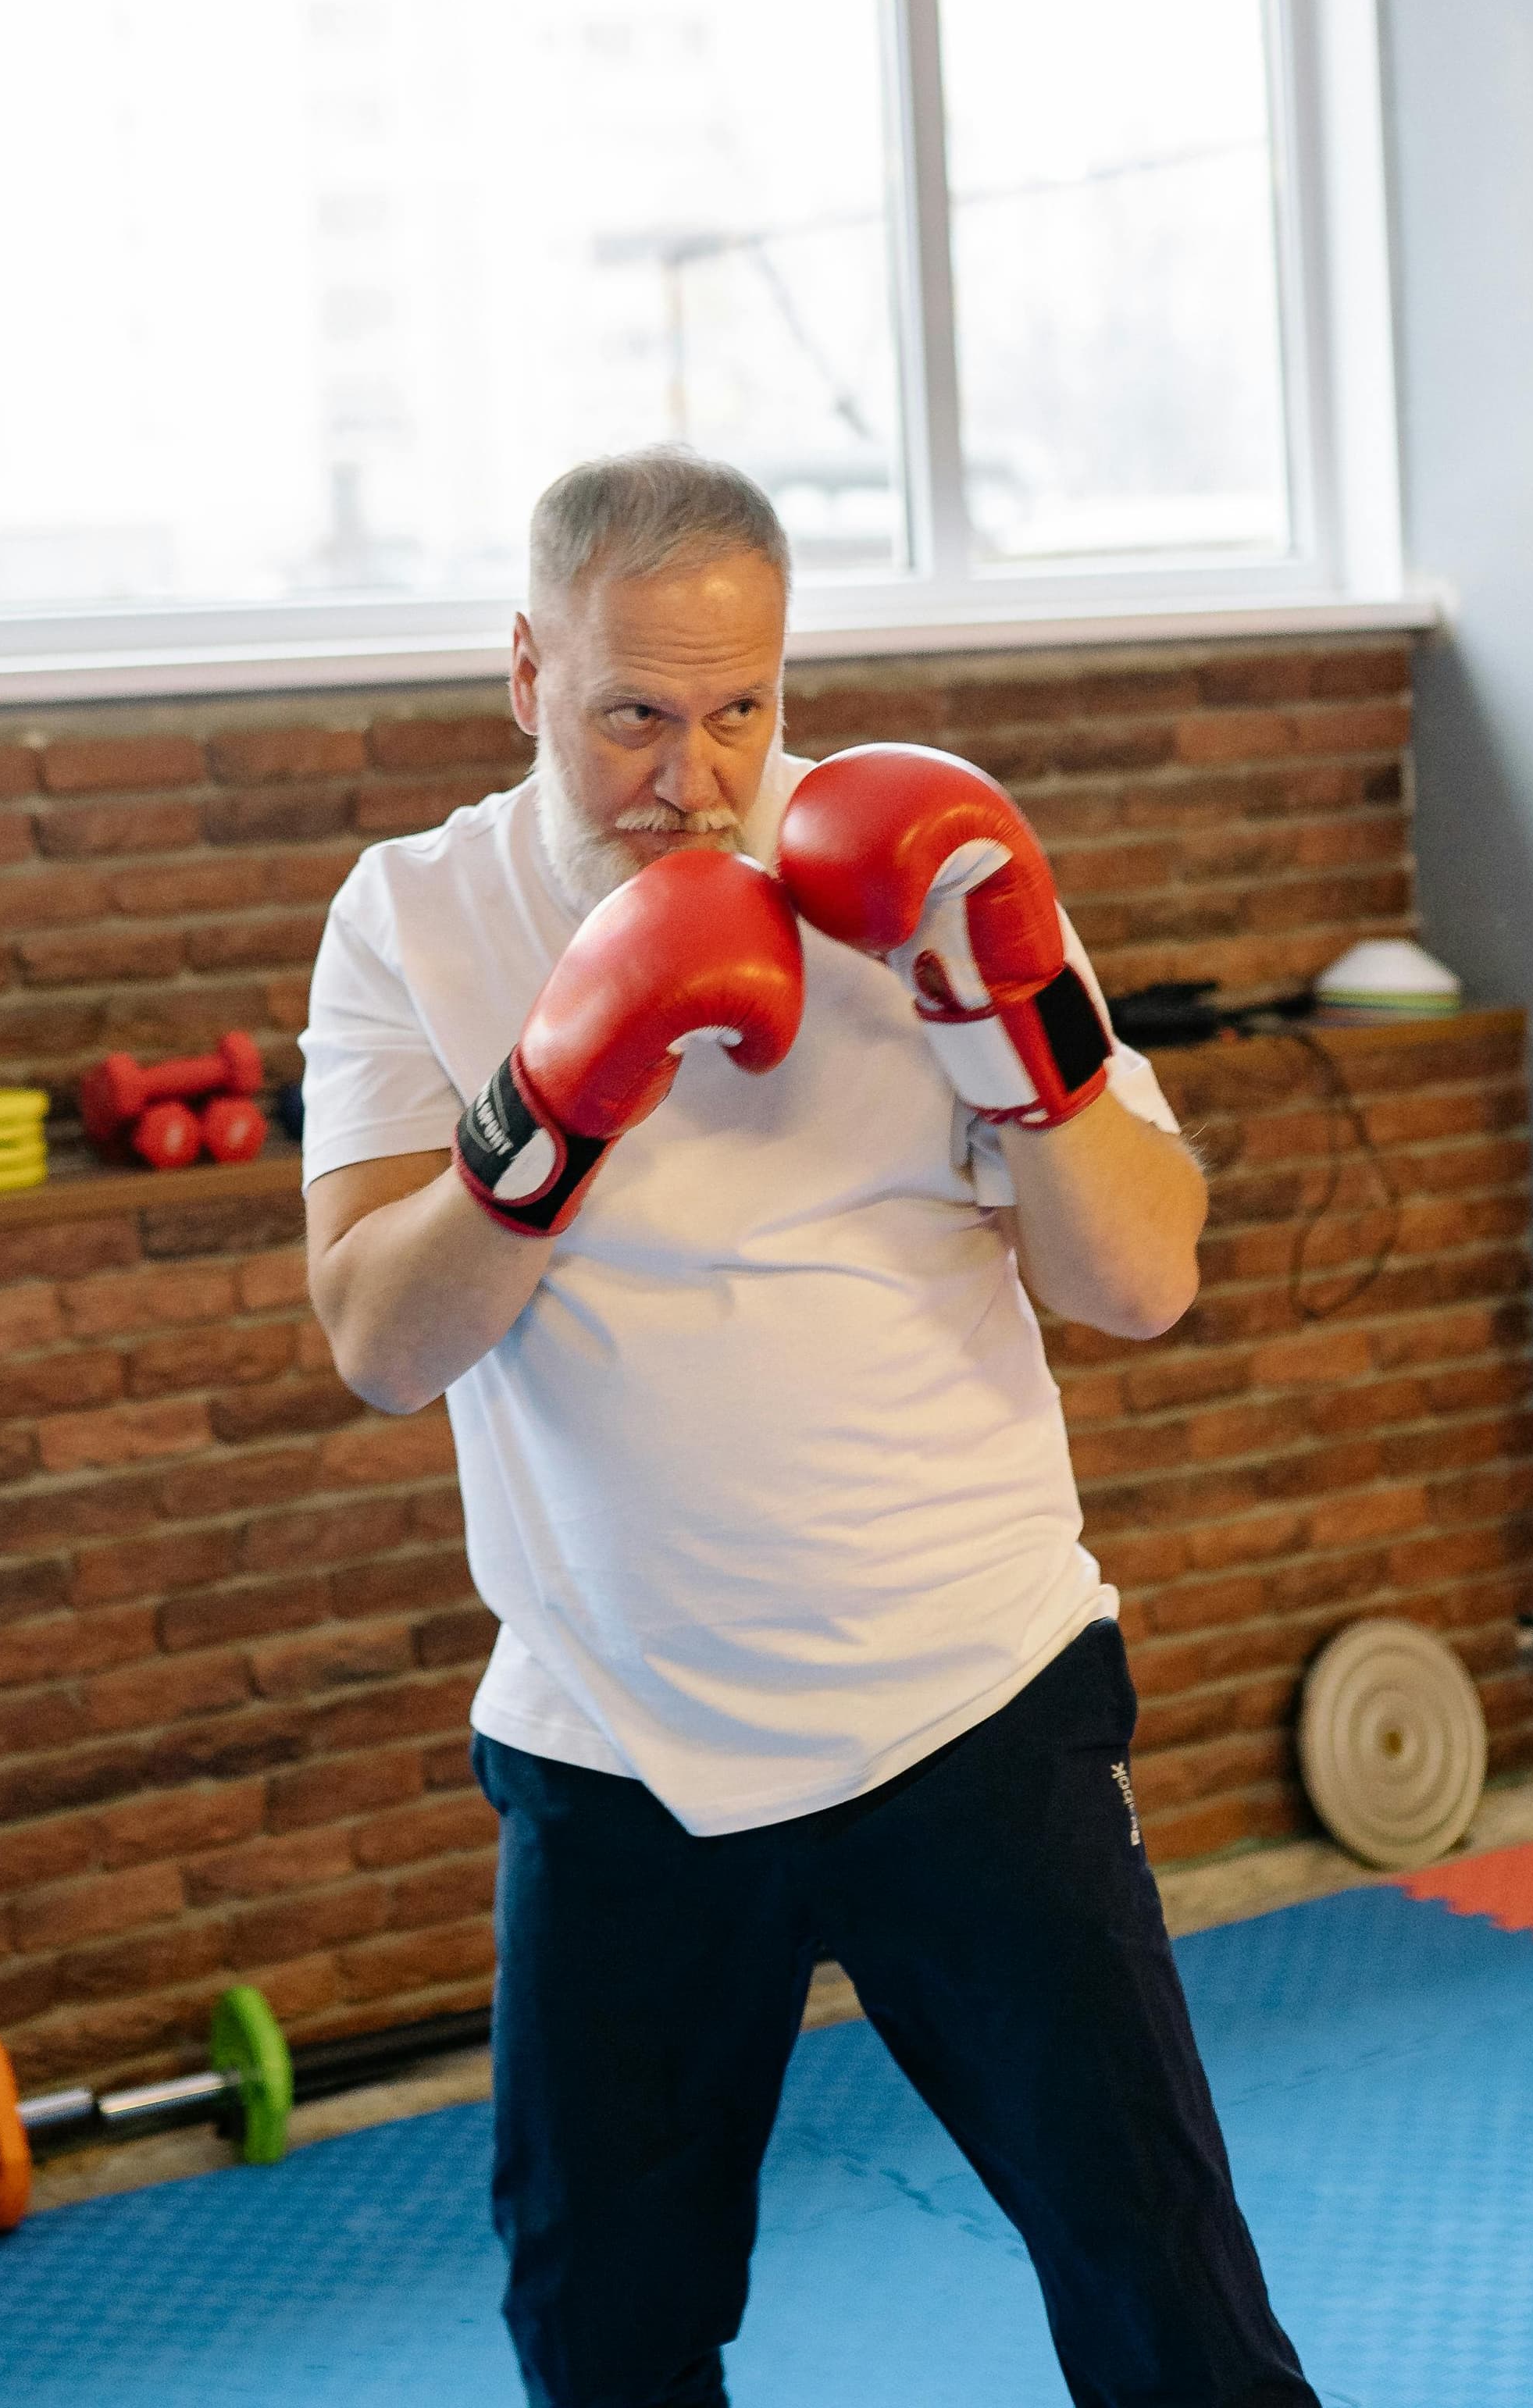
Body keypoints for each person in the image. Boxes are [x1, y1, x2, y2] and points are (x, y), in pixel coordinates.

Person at [301, 447, 1317, 2408]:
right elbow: (375, 1338)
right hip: (619, 1745)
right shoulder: (414, 917)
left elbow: (1143, 1276)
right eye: (632, 717)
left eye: (740, 710)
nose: (693, 776)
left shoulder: (924, 868)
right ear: (525, 672)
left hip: (975, 1697)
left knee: (1172, 2311)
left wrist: (1011, 1038)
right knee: (604, 2341)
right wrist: (552, 1104)